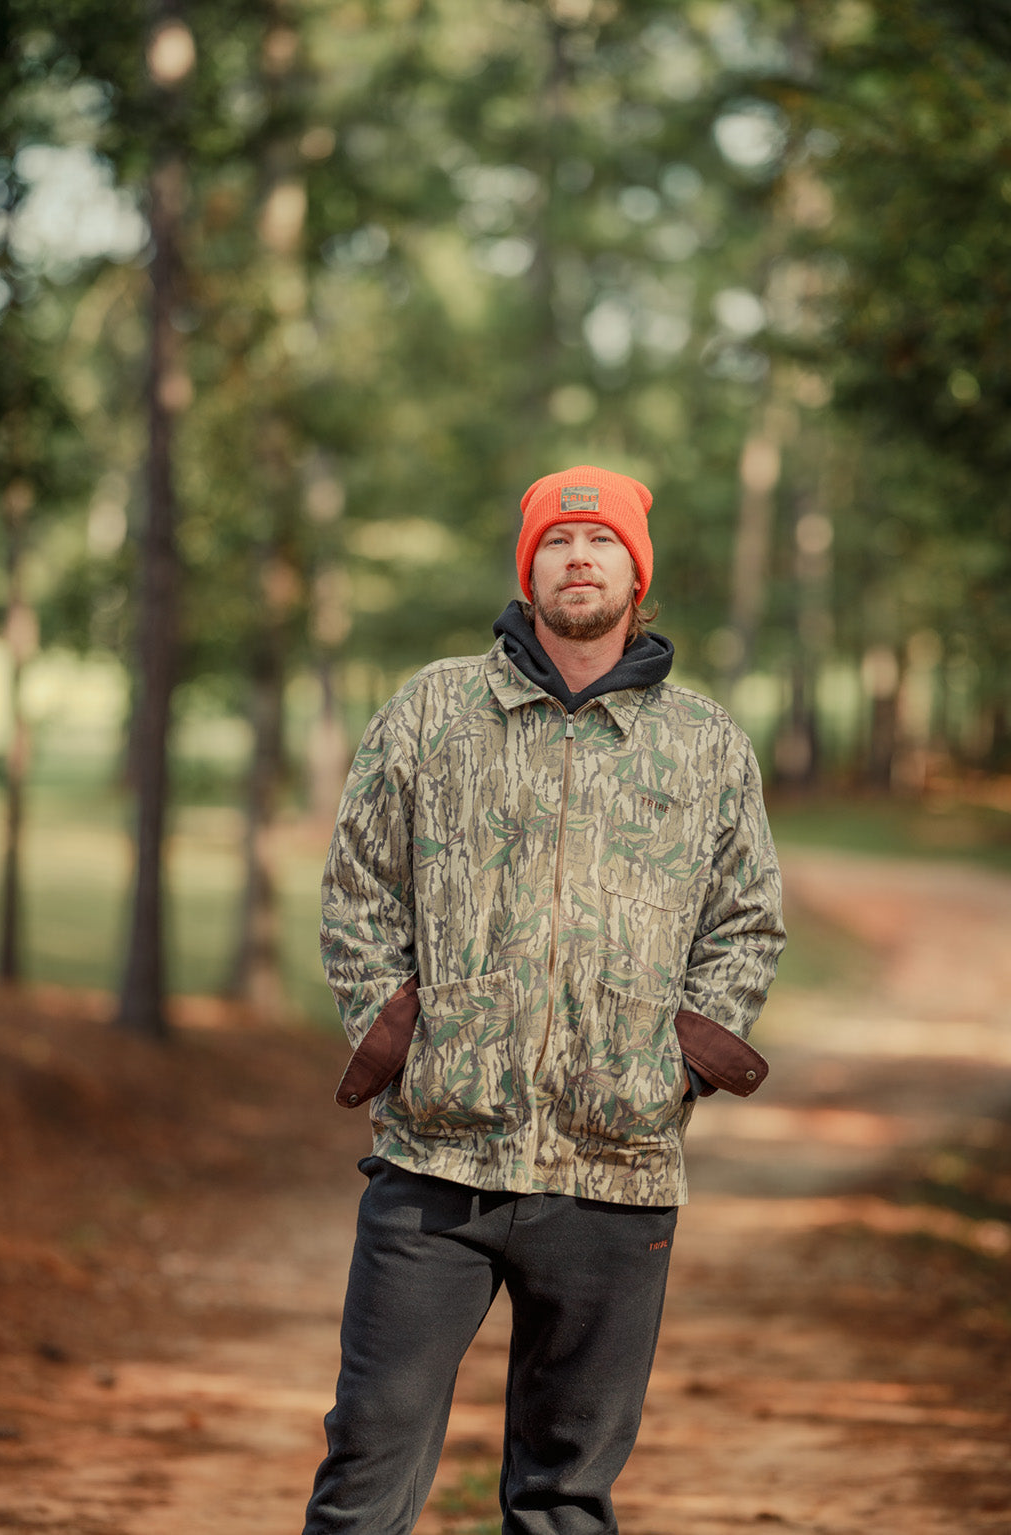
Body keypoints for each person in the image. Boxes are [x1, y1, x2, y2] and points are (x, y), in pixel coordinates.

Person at [302, 465, 786, 1535]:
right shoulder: (433, 710)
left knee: (565, 1497)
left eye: (600, 541)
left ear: (634, 572)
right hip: (436, 1164)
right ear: (528, 571)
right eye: (557, 541)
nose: (579, 557)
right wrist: (399, 1036)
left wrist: (676, 1067)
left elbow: (746, 919)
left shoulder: (705, 744)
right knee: (364, 1477)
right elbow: (357, 887)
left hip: (615, 1173)